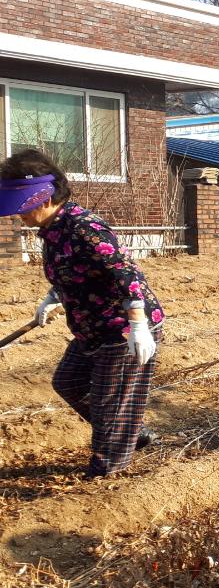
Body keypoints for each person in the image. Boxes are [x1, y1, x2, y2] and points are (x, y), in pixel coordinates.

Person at [0, 150, 163, 478]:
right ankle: (131, 432)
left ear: (43, 198)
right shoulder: (52, 230)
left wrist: (138, 325)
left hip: (120, 328)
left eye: (21, 206)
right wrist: (53, 297)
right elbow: (74, 271)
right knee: (69, 382)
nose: (17, 214)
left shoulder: (84, 227)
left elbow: (126, 274)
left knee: (108, 404)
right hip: (91, 328)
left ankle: (107, 475)